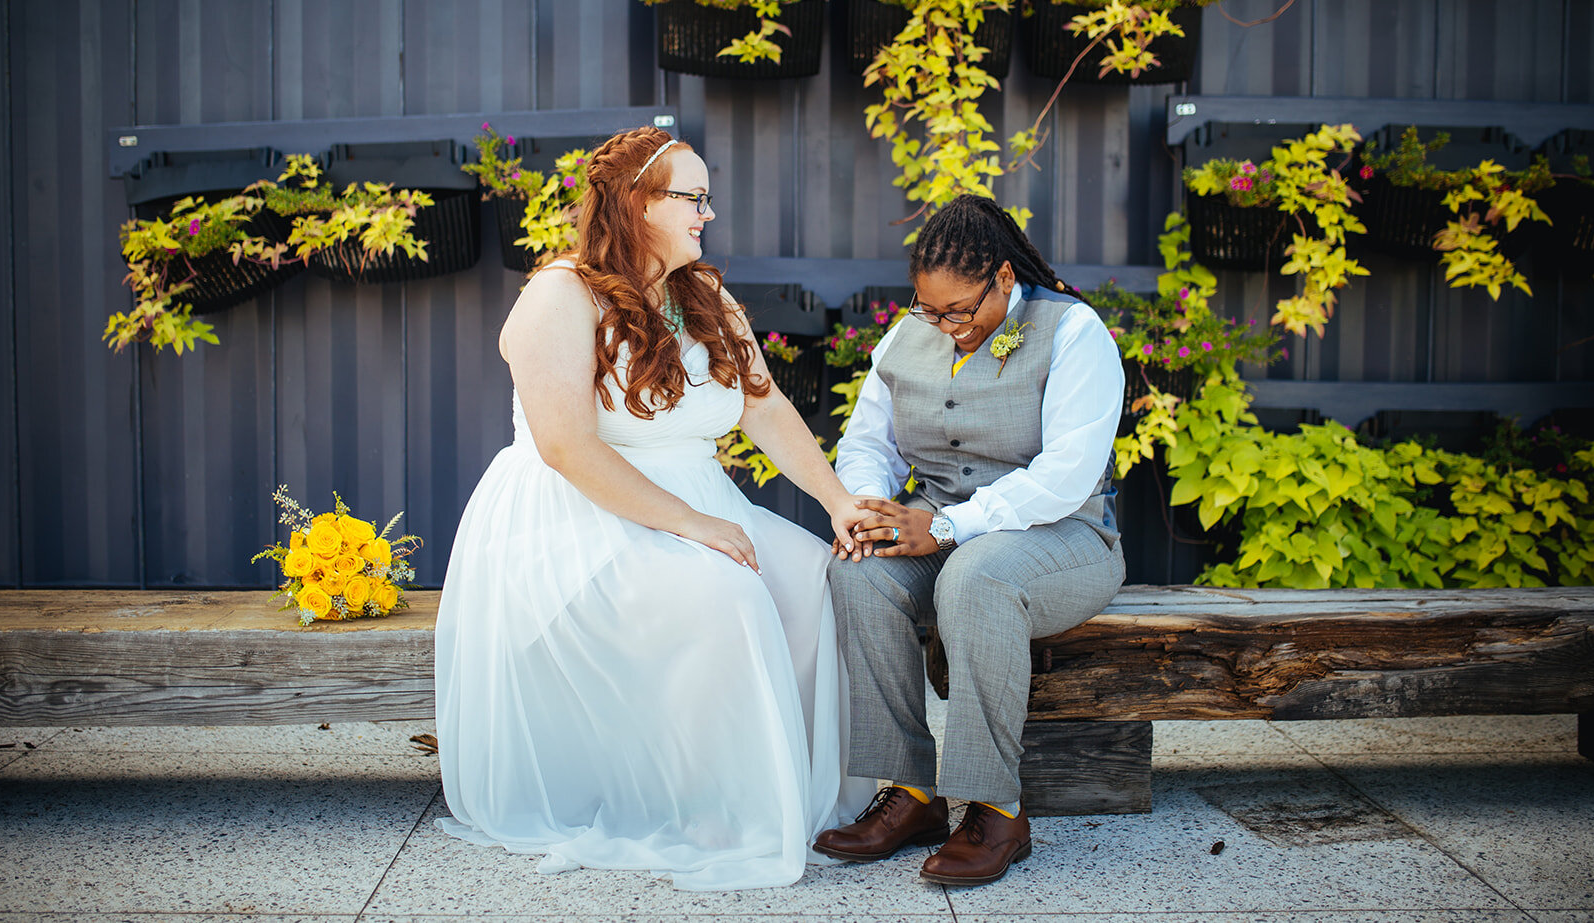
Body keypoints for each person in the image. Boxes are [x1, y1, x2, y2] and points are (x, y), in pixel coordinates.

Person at [434, 126, 874, 891]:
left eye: (707, 198)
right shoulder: (559, 295)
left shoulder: (700, 293)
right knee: (725, 592)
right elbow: (567, 447)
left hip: (691, 498)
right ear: (637, 203)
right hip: (576, 519)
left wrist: (837, 502)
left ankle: (790, 795)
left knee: (808, 577)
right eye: (692, 197)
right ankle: (704, 807)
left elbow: (764, 410)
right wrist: (694, 525)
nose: (707, 213)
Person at [813, 193, 1125, 887]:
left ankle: (996, 808)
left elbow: (1067, 475)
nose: (946, 325)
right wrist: (868, 506)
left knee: (976, 576)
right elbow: (867, 441)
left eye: (961, 310)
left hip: (1062, 538)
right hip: (939, 527)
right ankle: (913, 794)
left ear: (1006, 280)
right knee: (857, 572)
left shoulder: (1075, 332)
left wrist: (950, 525)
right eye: (932, 310)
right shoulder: (907, 335)